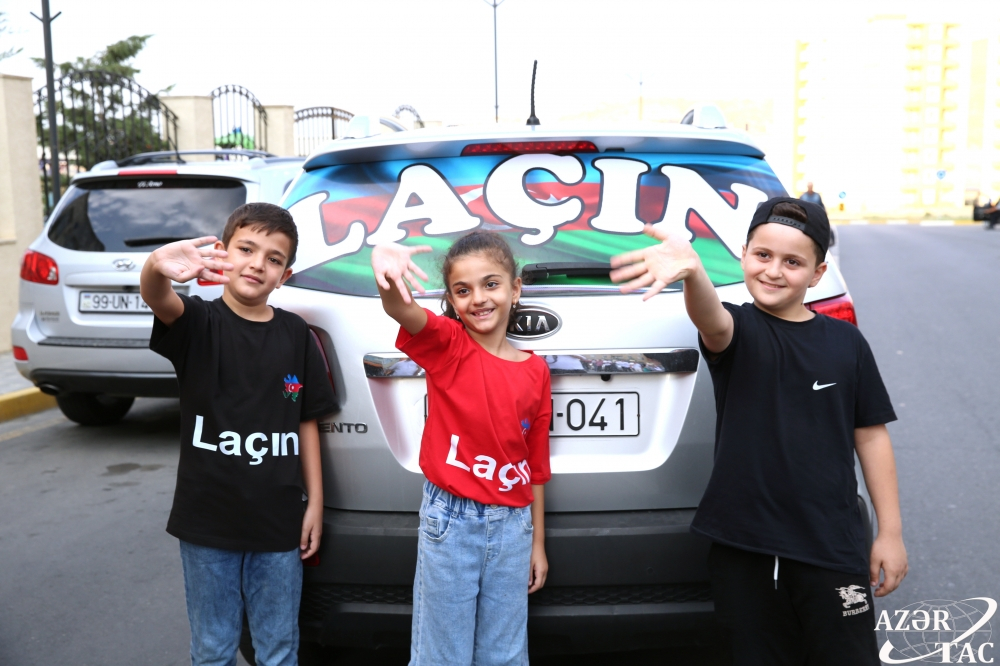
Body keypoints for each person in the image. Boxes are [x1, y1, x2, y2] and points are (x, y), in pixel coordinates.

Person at [609, 198, 907, 665]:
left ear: (817, 273)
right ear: (744, 254)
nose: (773, 271)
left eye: (793, 262)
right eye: (763, 255)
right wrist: (693, 273)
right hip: (744, 548)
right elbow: (711, 319)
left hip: (832, 546)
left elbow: (870, 435)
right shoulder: (738, 329)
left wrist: (890, 533)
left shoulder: (846, 342)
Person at [140, 203, 336, 666]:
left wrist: (315, 503)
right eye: (246, 249)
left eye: (273, 258)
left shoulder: (295, 334)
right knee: (213, 649)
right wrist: (155, 266)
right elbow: (158, 297)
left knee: (279, 649)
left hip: (279, 524)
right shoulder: (197, 322)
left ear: (284, 276)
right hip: (207, 523)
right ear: (222, 253)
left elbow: (307, 420)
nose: (257, 264)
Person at [371, 231, 551, 666]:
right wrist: (386, 270)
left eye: (491, 284)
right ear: (451, 301)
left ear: (515, 289)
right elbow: (400, 308)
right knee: (442, 655)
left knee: (505, 655)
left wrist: (537, 543)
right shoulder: (449, 344)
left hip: (514, 529)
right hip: (451, 524)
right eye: (463, 290)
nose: (478, 298)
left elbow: (535, 465)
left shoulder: (536, 371)